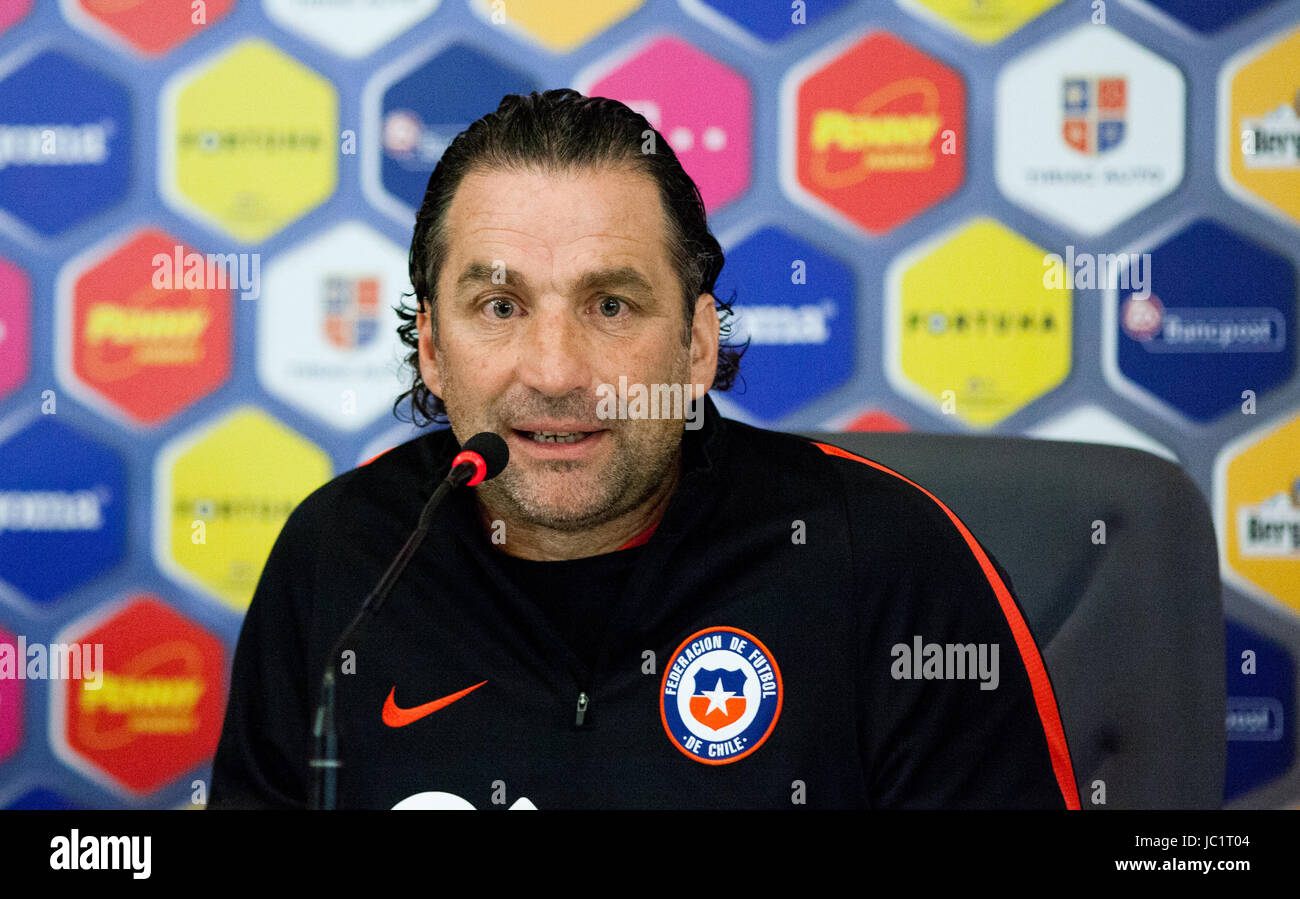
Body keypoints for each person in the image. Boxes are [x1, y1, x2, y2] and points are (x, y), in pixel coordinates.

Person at [208, 89, 1078, 810]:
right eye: (500, 307)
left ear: (698, 344)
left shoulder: (886, 560)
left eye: (610, 305)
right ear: (431, 348)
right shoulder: (343, 558)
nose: (554, 372)